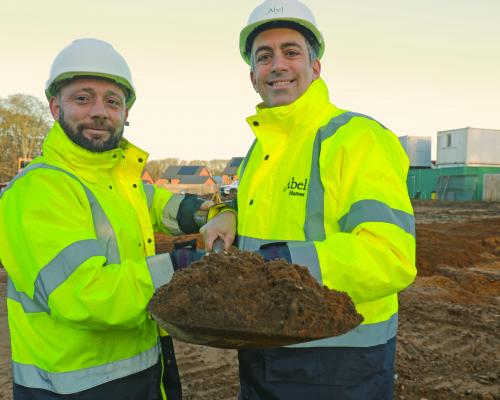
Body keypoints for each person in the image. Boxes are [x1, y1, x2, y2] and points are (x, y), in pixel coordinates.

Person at [0, 38, 235, 399]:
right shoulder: (39, 189)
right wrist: (183, 267)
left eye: (112, 101)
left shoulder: (120, 182)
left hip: (142, 376)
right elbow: (84, 296)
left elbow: (166, 207)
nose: (99, 111)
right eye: (83, 98)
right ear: (54, 106)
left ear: (126, 112)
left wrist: (219, 211)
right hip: (75, 390)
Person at [235, 1, 417, 399]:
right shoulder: (259, 153)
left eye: (291, 51)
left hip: (338, 365)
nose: (278, 64)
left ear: (315, 68)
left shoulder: (356, 138)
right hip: (262, 354)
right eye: (264, 57)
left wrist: (274, 270)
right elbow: (263, 215)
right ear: (253, 77)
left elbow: (389, 256)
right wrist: (224, 213)